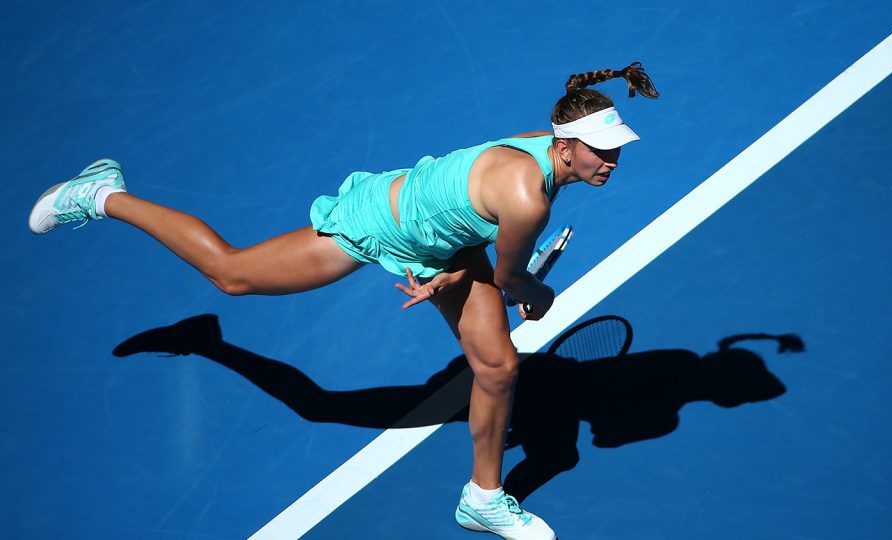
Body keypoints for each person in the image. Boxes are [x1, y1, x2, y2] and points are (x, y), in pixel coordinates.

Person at [28, 61, 658, 540]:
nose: (612, 162)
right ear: (568, 145)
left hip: (443, 245)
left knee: (497, 366)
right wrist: (539, 295)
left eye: (617, 149)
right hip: (378, 222)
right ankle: (105, 196)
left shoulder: (545, 154)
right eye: (602, 151)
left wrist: (444, 280)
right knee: (232, 276)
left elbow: (479, 233)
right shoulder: (531, 200)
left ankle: (483, 498)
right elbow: (514, 278)